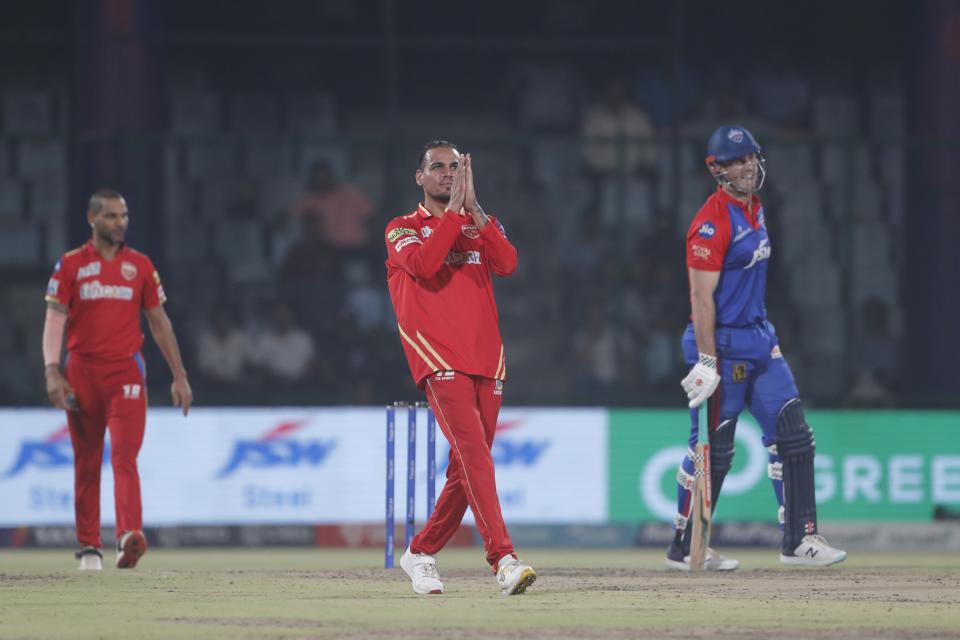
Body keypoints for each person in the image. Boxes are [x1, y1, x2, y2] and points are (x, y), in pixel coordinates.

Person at [668, 126, 847, 571]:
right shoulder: (711, 222)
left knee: (794, 438)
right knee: (714, 450)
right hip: (721, 346)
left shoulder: (755, 210)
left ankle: (799, 541)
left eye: (751, 158)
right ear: (718, 169)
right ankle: (686, 547)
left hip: (759, 340)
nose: (747, 166)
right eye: (736, 160)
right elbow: (701, 299)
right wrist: (707, 361)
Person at [384, 140, 536, 596]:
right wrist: (455, 215)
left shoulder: (478, 224)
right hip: (438, 358)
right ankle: (503, 559)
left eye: (454, 167)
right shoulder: (401, 229)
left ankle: (421, 553)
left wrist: (477, 212)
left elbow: (508, 263)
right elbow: (426, 266)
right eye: (437, 167)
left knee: (465, 468)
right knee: (474, 455)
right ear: (419, 177)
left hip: (487, 360)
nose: (446, 173)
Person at [42, 188, 193, 571]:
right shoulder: (71, 265)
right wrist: (52, 369)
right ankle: (90, 547)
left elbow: (159, 323)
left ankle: (129, 536)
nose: (120, 222)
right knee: (87, 460)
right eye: (111, 216)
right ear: (92, 219)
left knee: (126, 456)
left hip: (126, 371)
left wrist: (179, 375)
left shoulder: (140, 266)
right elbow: (55, 318)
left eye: (124, 215)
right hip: (82, 371)